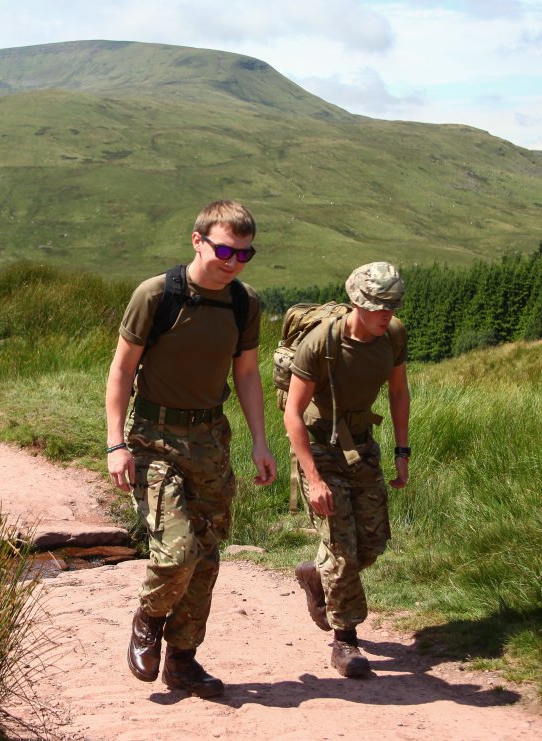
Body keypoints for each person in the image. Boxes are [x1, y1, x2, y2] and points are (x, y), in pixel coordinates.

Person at [105, 199, 277, 698]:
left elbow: (245, 373)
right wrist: (116, 444)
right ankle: (148, 617)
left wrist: (261, 443)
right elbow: (121, 371)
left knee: (205, 556)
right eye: (225, 250)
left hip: (210, 440)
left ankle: (183, 659)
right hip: (153, 437)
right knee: (177, 550)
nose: (233, 261)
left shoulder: (244, 302)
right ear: (198, 240)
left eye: (245, 254)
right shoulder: (156, 295)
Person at [283, 262, 410, 678]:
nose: (385, 313)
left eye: (391, 305)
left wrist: (402, 451)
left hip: (362, 448)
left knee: (370, 544)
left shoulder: (393, 335)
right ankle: (345, 640)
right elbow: (293, 414)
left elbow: (397, 391)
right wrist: (314, 479)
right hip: (319, 448)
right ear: (357, 301)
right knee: (342, 548)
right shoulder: (322, 343)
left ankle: (315, 576)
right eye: (377, 305)